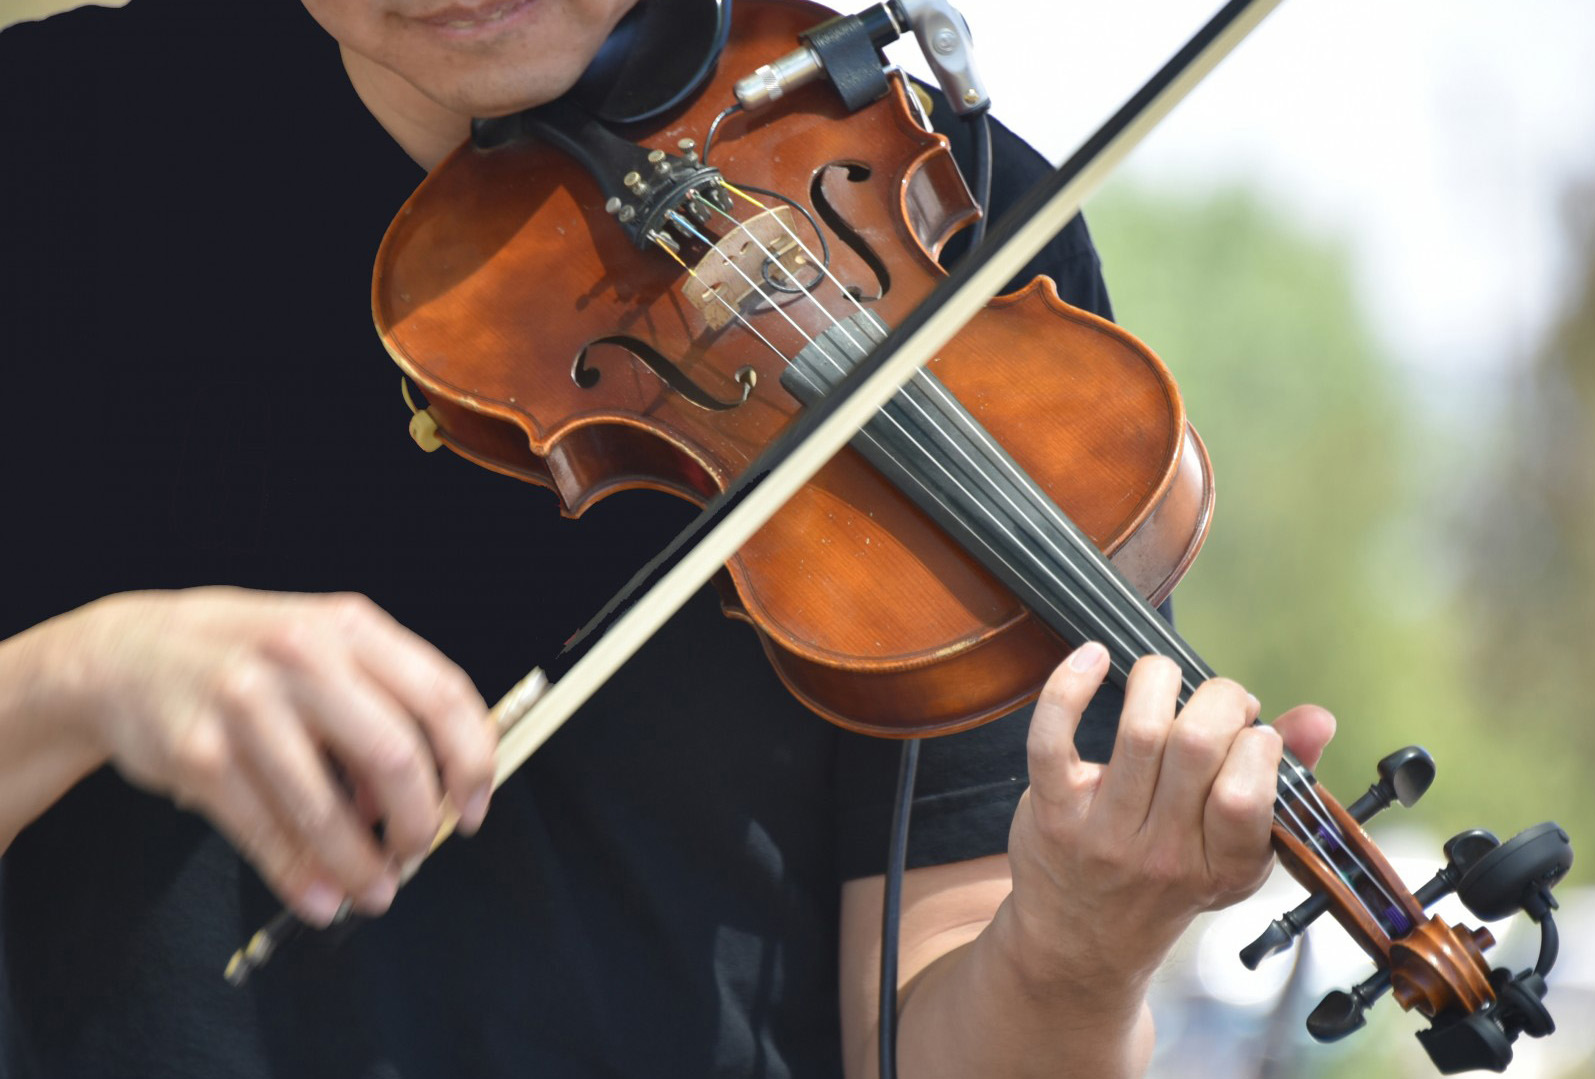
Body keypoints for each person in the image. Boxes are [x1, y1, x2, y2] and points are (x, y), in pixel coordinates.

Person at [0, 1, 1335, 1077]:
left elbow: (938, 1021)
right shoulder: (49, 144)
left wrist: (1075, 954)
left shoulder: (948, 220)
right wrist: (89, 680)